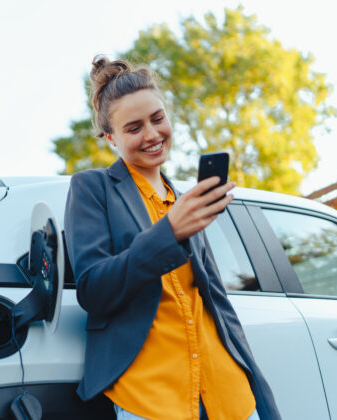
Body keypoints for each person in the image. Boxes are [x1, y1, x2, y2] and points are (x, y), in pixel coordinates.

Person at [63, 56, 281, 420]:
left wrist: (260, 393)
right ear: (109, 138)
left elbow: (218, 303)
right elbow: (92, 289)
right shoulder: (92, 188)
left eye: (157, 119)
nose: (151, 135)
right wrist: (169, 233)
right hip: (152, 398)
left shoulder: (183, 201)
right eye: (133, 128)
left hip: (226, 393)